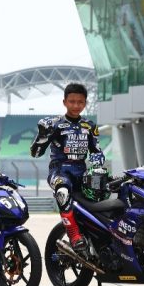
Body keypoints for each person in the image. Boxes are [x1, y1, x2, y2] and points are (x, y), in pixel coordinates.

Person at [30, 82, 105, 254]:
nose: (76, 105)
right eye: (72, 102)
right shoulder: (54, 124)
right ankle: (74, 236)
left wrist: (98, 163)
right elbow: (35, 153)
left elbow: (97, 152)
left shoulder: (90, 126)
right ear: (64, 102)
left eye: (80, 102)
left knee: (102, 194)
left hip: (83, 172)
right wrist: (42, 136)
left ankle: (101, 242)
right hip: (59, 171)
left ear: (85, 103)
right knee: (63, 191)